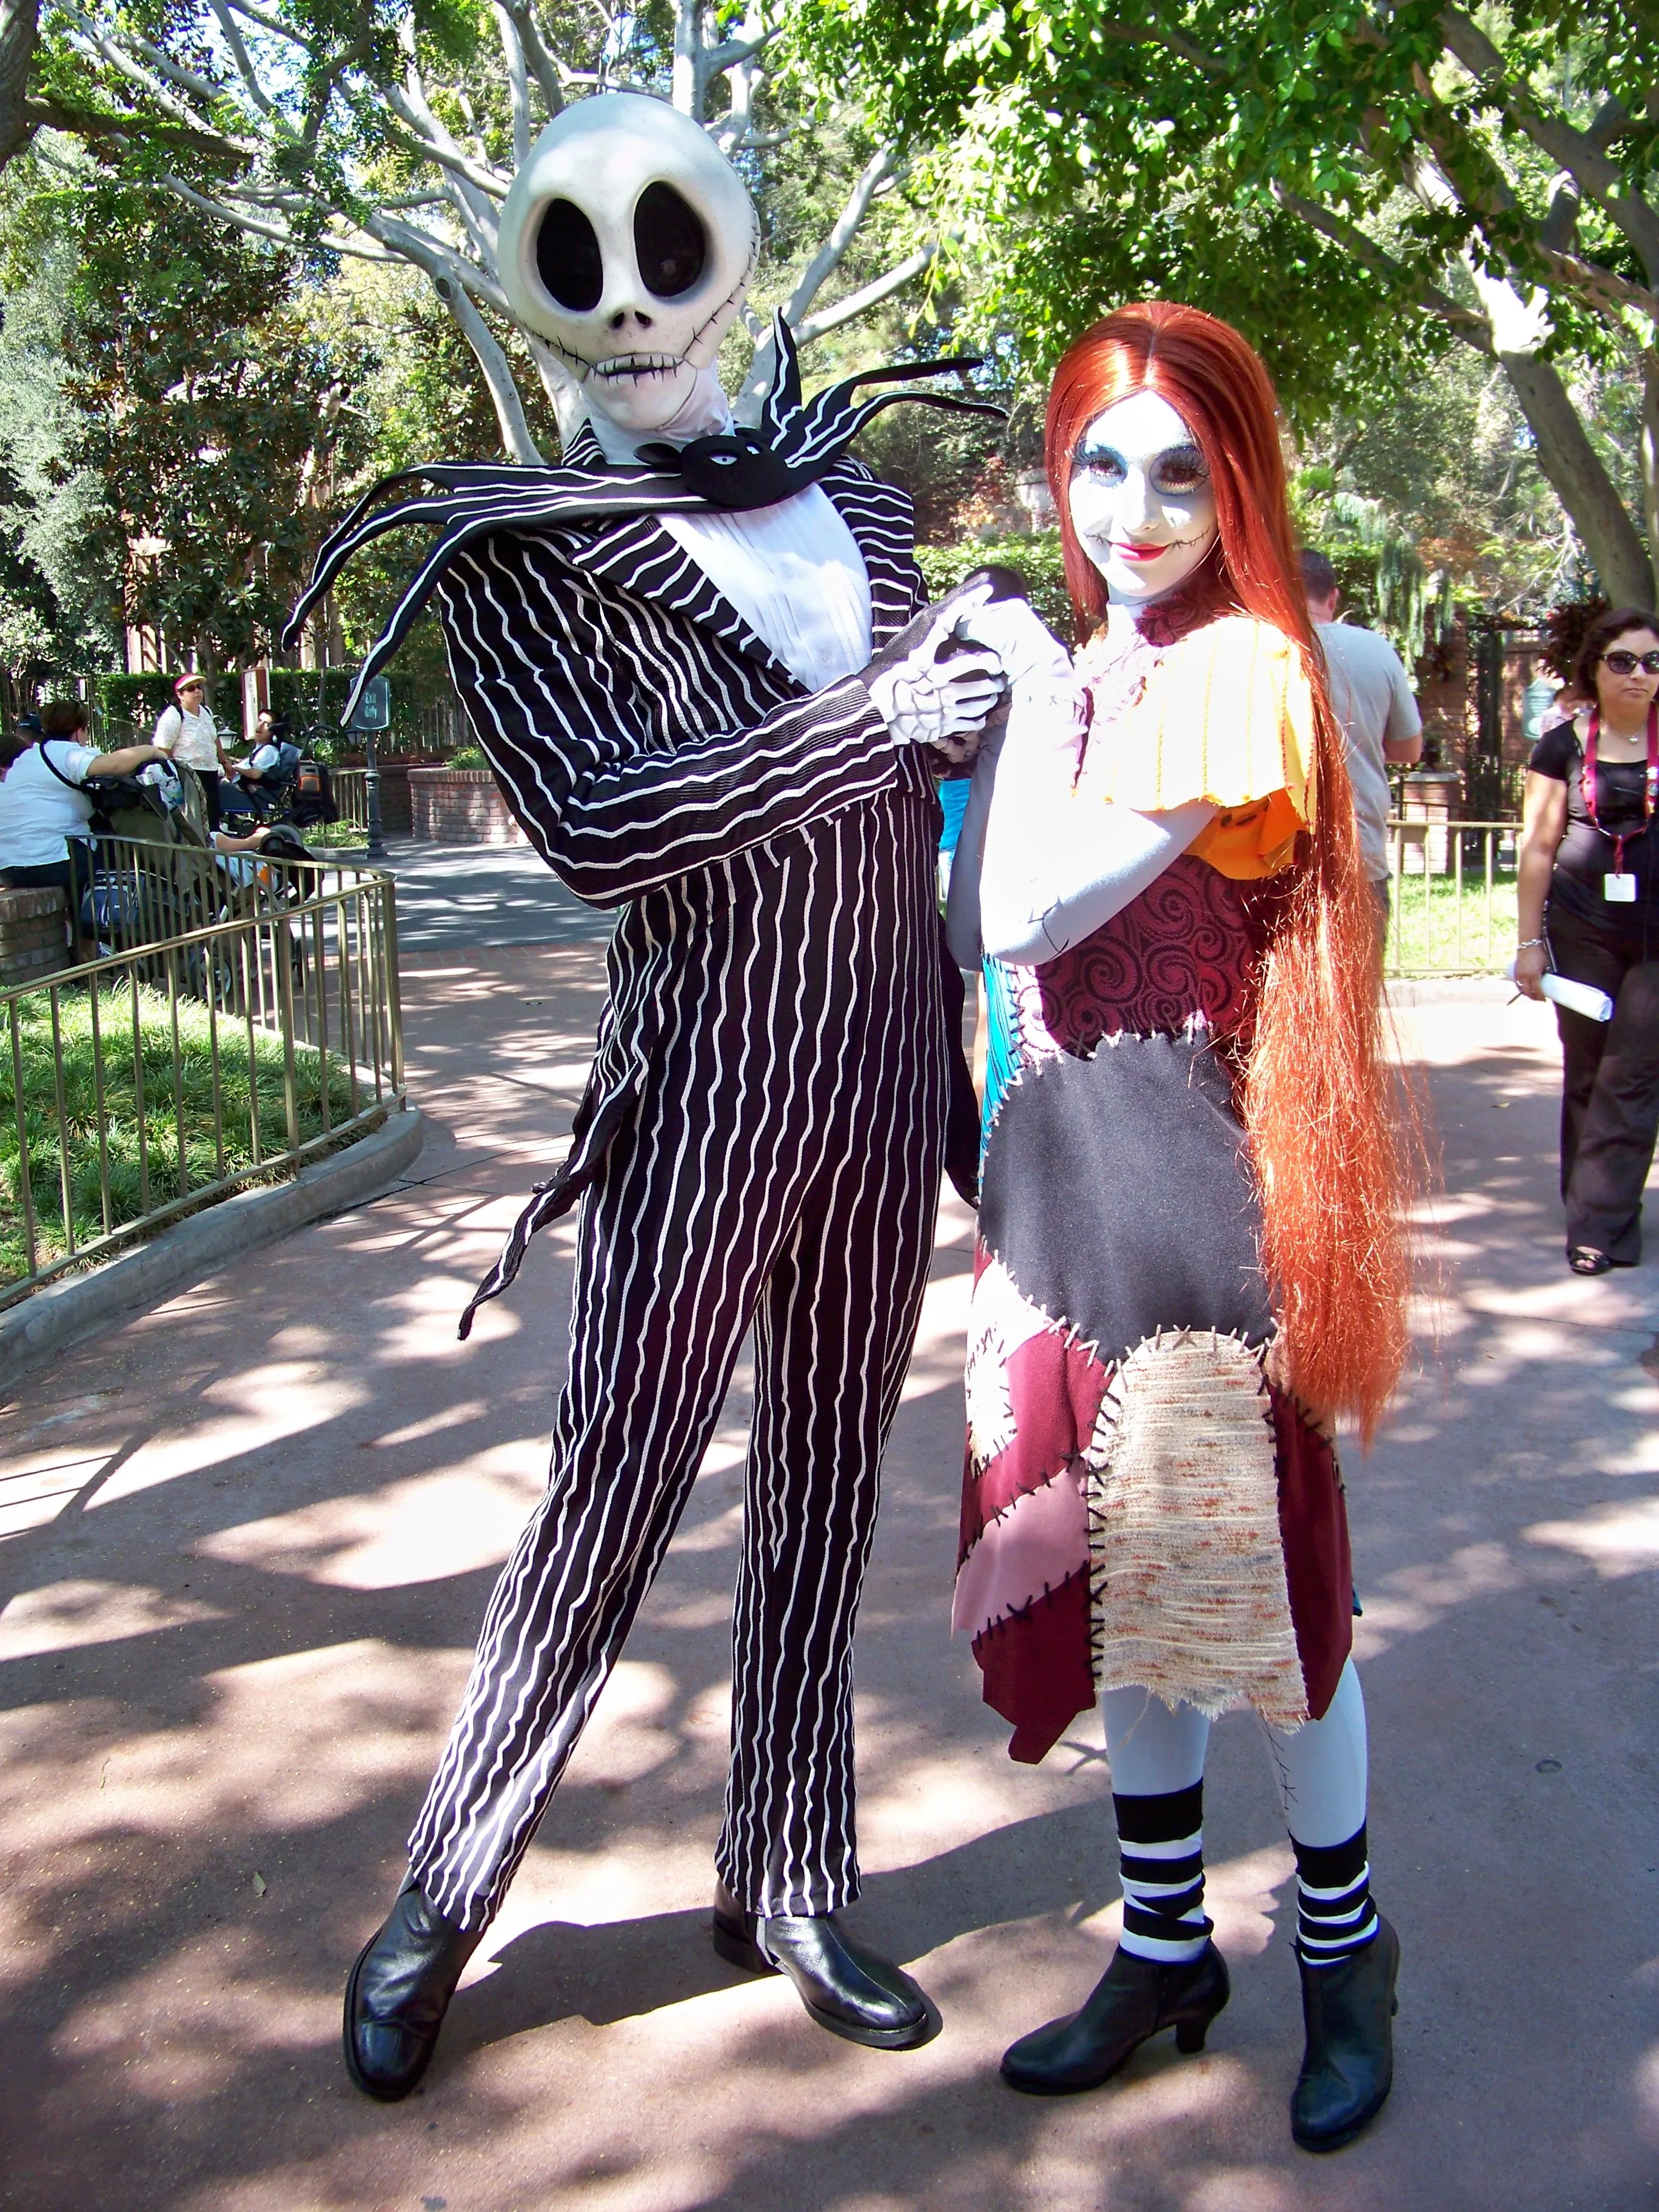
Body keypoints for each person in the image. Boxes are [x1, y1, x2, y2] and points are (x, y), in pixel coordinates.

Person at [300, 92, 1013, 2102]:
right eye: (576, 261)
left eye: (668, 248)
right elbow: (610, 830)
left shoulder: (853, 494)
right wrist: (870, 713)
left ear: (738, 249)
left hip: (877, 1068)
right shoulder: (529, 559)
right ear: (530, 300)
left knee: (821, 1497)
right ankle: (445, 1886)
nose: (630, 307)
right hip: (698, 1090)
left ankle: (786, 1867)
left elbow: (917, 804)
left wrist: (967, 1073)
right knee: (604, 1493)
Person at [945, 303, 1411, 2153]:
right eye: (1096, 462)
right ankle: (1163, 1949)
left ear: (1241, 487)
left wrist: (1037, 698)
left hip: (1197, 1214)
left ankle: (1346, 1955)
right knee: (1140, 1610)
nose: (1132, 507)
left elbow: (1021, 910)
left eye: (1179, 470)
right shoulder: (1109, 665)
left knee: (1281, 1618)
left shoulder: (1237, 674)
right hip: (1066, 1198)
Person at [1516, 605, 1659, 1274]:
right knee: (1588, 1067)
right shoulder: (1562, 747)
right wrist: (1528, 944)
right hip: (1581, 930)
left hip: (1655, 933)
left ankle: (1601, 1224)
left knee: (1634, 1072)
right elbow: (1539, 845)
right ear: (1596, 668)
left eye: (1653, 663)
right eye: (1623, 661)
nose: (1639, 675)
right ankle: (1589, 1206)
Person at [1300, 549, 1422, 953]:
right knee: (1357, 1000)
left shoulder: (1257, 649)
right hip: (1359, 850)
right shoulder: (1377, 650)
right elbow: (1408, 749)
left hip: (1274, 858)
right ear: (1332, 598)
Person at [0, 700, 168, 950]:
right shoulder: (66, 753)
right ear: (79, 731)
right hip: (46, 862)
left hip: (9, 867)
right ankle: (95, 944)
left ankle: (84, 943)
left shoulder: (27, 759)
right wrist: (154, 751)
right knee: (114, 858)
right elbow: (114, 765)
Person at [153, 672, 230, 828]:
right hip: (188, 773)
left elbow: (214, 739)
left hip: (210, 771)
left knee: (212, 815)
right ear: (180, 694)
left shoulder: (206, 712)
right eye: (191, 688)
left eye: (199, 687)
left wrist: (225, 763)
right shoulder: (174, 716)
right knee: (195, 818)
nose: (197, 691)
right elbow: (162, 750)